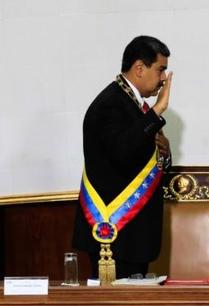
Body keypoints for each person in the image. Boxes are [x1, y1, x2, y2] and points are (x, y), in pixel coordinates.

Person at [72, 35, 173, 279]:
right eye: (160, 70)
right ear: (139, 68)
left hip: (134, 237)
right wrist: (158, 109)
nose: (163, 79)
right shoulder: (111, 103)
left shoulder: (134, 105)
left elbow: (142, 158)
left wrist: (166, 152)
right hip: (115, 237)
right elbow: (122, 152)